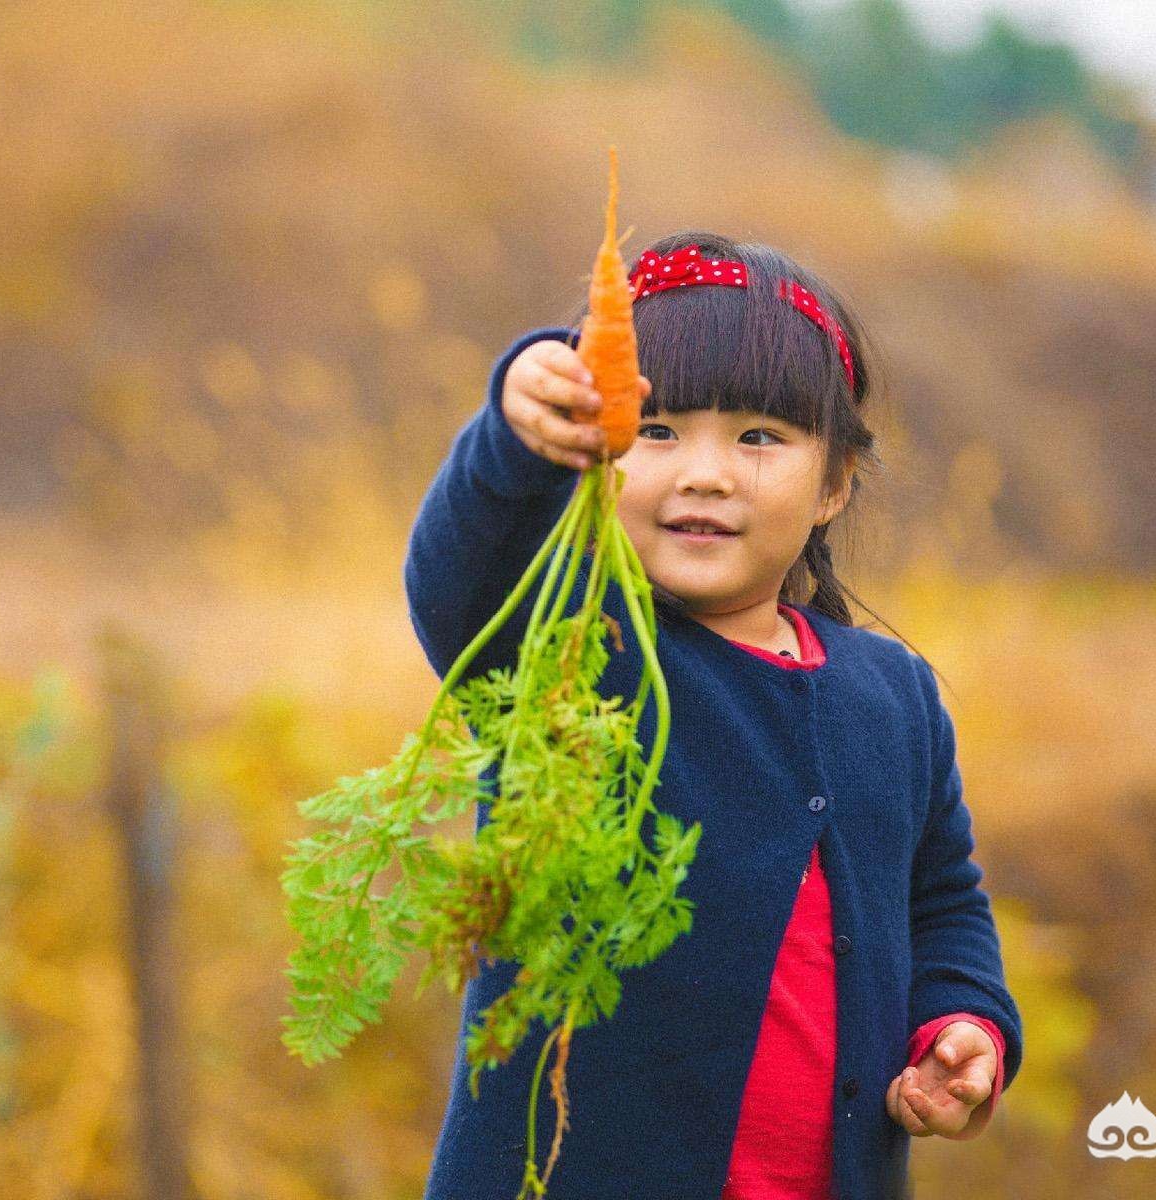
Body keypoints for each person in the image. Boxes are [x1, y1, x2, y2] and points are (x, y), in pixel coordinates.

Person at [406, 232, 1023, 1200]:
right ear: (597, 455)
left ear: (835, 485)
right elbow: (459, 582)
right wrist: (514, 434)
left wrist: (962, 1026)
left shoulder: (894, 698)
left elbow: (942, 902)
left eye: (758, 438)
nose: (704, 473)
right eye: (656, 431)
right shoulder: (575, 649)